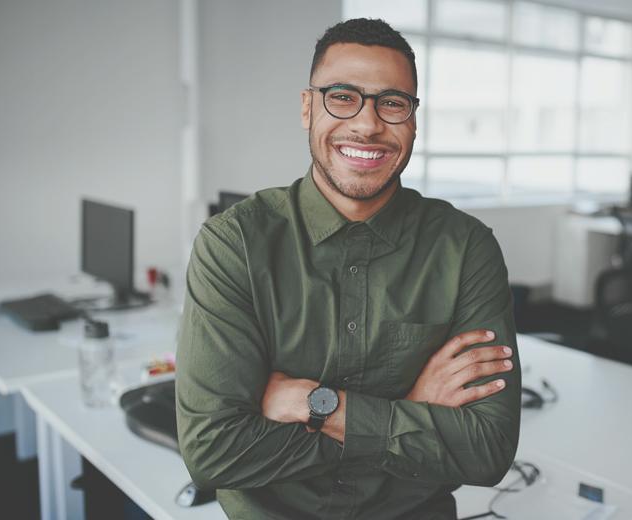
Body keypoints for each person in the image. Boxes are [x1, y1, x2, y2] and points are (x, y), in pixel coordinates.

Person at [175, 18, 521, 520]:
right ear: (307, 107)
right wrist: (411, 405)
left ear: (414, 119)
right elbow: (213, 455)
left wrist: (318, 405)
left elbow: (487, 451)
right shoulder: (235, 244)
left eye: (392, 102)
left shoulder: (466, 247)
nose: (367, 124)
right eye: (342, 96)